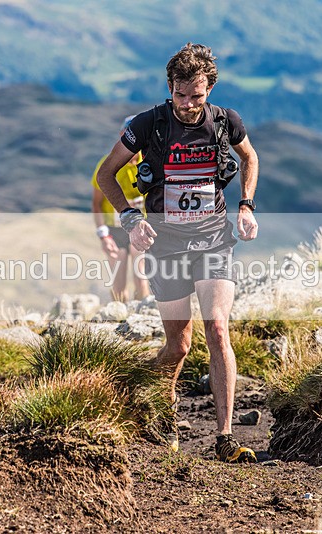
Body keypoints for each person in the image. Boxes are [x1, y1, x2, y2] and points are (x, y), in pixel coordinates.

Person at [95, 43, 260, 463]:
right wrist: (131, 220)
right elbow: (105, 174)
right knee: (179, 346)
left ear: (209, 90)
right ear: (171, 87)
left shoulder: (226, 121)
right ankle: (159, 414)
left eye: (197, 96)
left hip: (213, 240)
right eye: (181, 95)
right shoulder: (148, 124)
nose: (187, 104)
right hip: (165, 246)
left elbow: (250, 158)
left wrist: (245, 206)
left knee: (218, 329)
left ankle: (224, 437)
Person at [91, 116, 151, 302]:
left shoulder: (149, 163)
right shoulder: (107, 164)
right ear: (121, 136)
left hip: (140, 227)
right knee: (119, 285)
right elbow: (96, 203)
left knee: (141, 277)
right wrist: (103, 235)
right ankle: (120, 320)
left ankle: (143, 316)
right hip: (115, 230)